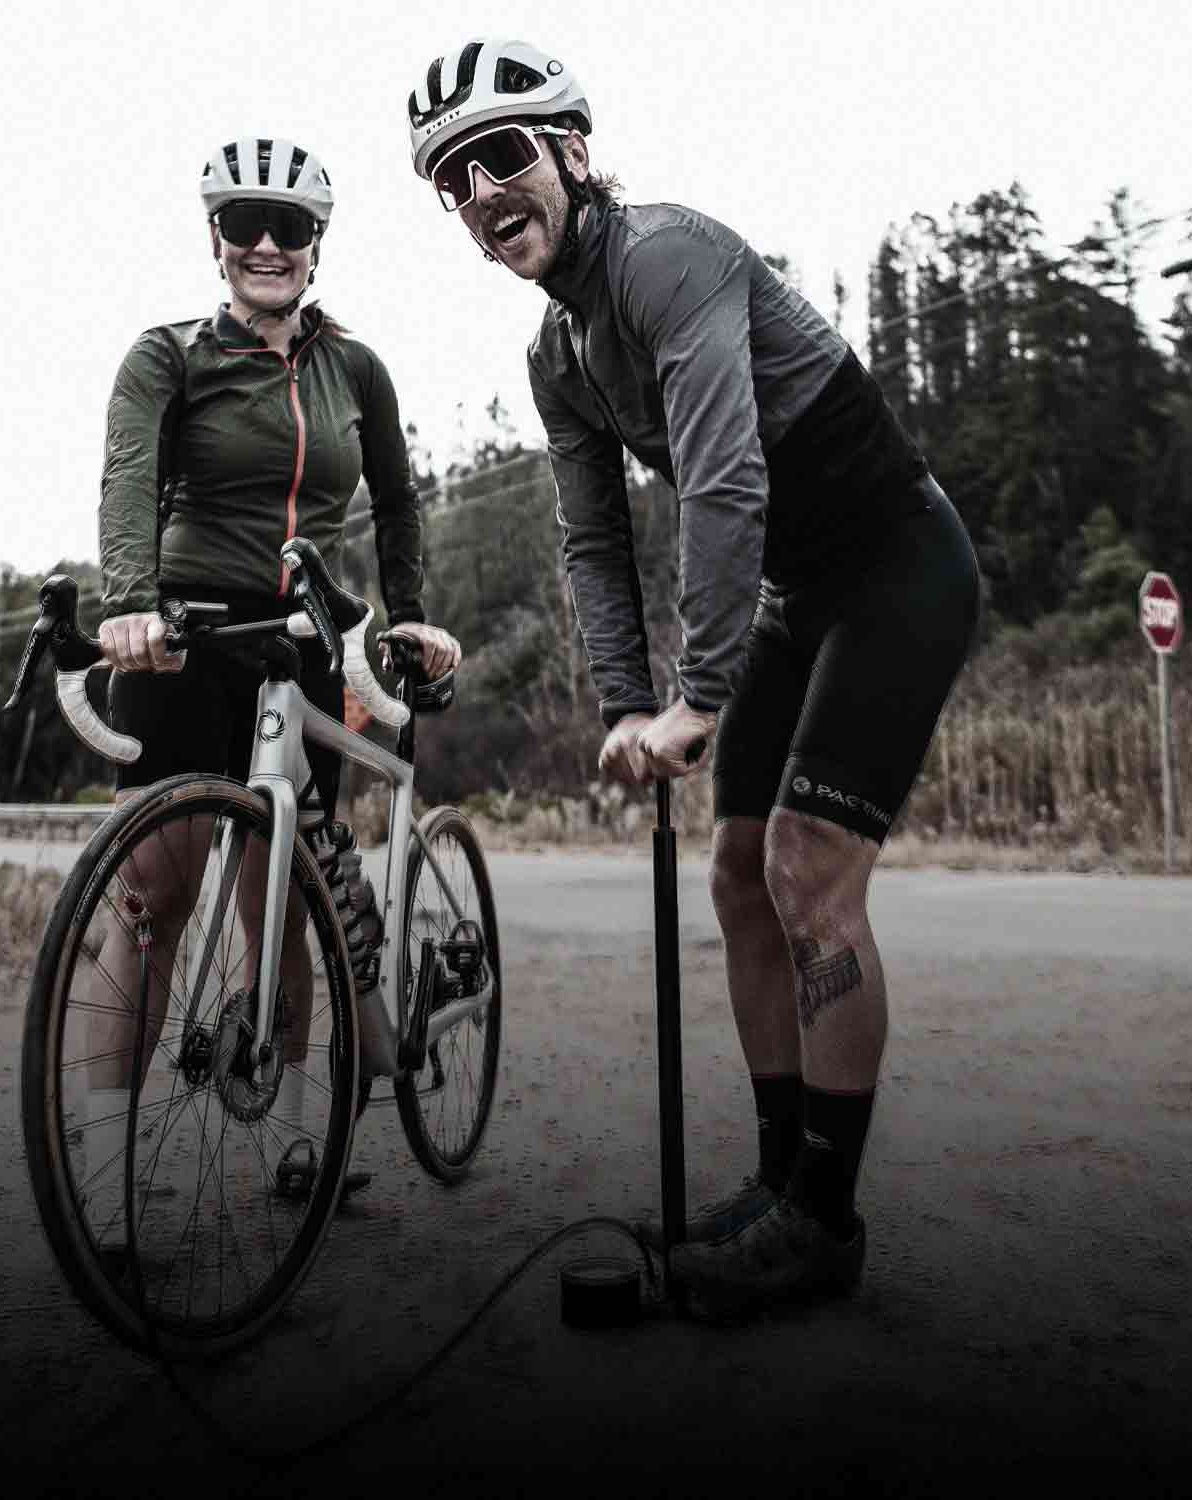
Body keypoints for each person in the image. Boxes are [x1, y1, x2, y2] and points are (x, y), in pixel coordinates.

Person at [406, 41, 979, 1312]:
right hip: (795, 594)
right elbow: (593, 540)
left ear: (573, 150)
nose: (484, 190)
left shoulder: (667, 256)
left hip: (896, 563)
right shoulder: (558, 359)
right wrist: (624, 703)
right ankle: (781, 1187)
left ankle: (823, 1221)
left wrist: (699, 694)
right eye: (453, 178)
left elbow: (726, 480)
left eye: (504, 153)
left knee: (809, 871)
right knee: (734, 874)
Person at [87, 135, 460, 1224]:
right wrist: (127, 601)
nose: (265, 242)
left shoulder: (356, 371)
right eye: (244, 222)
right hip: (182, 638)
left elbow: (398, 501)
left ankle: (306, 1134)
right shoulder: (168, 357)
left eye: (287, 226)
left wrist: (409, 614)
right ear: (214, 239)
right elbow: (129, 478)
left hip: (297, 648)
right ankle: (108, 1171)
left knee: (279, 902)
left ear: (314, 246)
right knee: (151, 896)